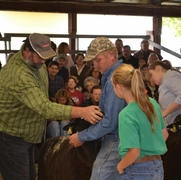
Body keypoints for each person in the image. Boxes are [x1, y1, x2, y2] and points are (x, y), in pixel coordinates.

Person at [0, 33, 103, 180]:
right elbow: (43, 107)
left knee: (29, 176)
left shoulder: (36, 63)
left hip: (27, 134)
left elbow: (41, 96)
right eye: (39, 56)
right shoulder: (18, 74)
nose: (43, 61)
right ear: (27, 51)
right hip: (12, 137)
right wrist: (82, 111)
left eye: (45, 57)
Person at [69, 37, 126, 180]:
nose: (94, 65)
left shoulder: (115, 78)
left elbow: (110, 122)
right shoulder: (112, 76)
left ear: (112, 55)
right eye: (93, 61)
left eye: (98, 60)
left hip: (116, 140)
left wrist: (82, 136)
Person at [112, 64, 168, 180]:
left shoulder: (126, 114)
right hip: (157, 165)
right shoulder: (152, 103)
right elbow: (164, 134)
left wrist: (120, 166)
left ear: (119, 86)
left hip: (137, 169)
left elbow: (134, 151)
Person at [148, 60, 181, 125]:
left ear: (158, 69)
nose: (151, 79)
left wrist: (164, 113)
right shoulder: (164, 82)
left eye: (151, 75)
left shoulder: (170, 76)